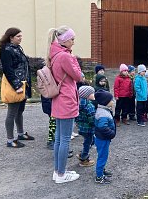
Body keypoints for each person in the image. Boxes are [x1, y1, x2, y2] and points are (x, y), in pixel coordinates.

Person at [47, 26, 82, 184]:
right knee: (65, 139)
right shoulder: (65, 57)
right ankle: (61, 175)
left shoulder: (54, 54)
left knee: (59, 139)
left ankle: (58, 171)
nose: (73, 42)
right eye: (72, 39)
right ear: (64, 40)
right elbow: (78, 76)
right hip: (67, 99)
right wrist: (73, 58)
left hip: (58, 100)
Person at [0, 27, 34, 148]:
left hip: (23, 84)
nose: (21, 38)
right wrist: (17, 86)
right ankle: (10, 140)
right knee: (12, 113)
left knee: (20, 111)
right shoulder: (6, 50)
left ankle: (20, 134)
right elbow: (7, 70)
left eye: (21, 36)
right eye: (18, 36)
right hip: (15, 85)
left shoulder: (17, 48)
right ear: (11, 37)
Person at [94, 90, 116, 184]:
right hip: (103, 139)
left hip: (101, 138)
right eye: (111, 100)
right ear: (105, 102)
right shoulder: (103, 114)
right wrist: (111, 133)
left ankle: (101, 170)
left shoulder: (103, 110)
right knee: (102, 157)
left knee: (102, 155)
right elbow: (102, 127)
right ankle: (99, 177)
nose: (113, 101)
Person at [75, 86, 97, 167]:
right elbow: (92, 119)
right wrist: (96, 125)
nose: (94, 94)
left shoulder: (78, 104)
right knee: (88, 142)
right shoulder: (89, 106)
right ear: (87, 95)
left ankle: (83, 153)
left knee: (89, 141)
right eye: (92, 93)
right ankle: (84, 158)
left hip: (82, 128)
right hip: (89, 129)